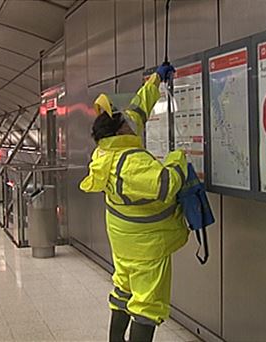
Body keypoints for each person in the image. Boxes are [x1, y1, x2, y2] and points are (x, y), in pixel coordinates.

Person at [80, 63, 189, 342]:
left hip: (124, 243)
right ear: (120, 129)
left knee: (123, 290)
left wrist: (156, 80)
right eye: (126, 119)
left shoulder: (106, 152)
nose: (133, 119)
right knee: (147, 304)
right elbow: (165, 183)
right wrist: (179, 159)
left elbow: (140, 108)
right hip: (148, 248)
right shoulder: (131, 161)